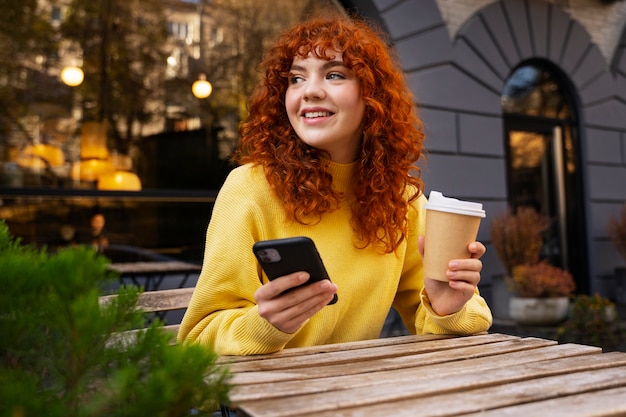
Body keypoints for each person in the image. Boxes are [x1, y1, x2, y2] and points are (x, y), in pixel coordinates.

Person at [178, 14, 492, 356]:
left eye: (334, 74)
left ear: (372, 95)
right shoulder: (250, 188)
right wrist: (265, 325)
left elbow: (442, 328)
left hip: (358, 397)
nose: (310, 90)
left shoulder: (401, 198)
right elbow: (196, 341)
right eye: (296, 78)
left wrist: (446, 307)